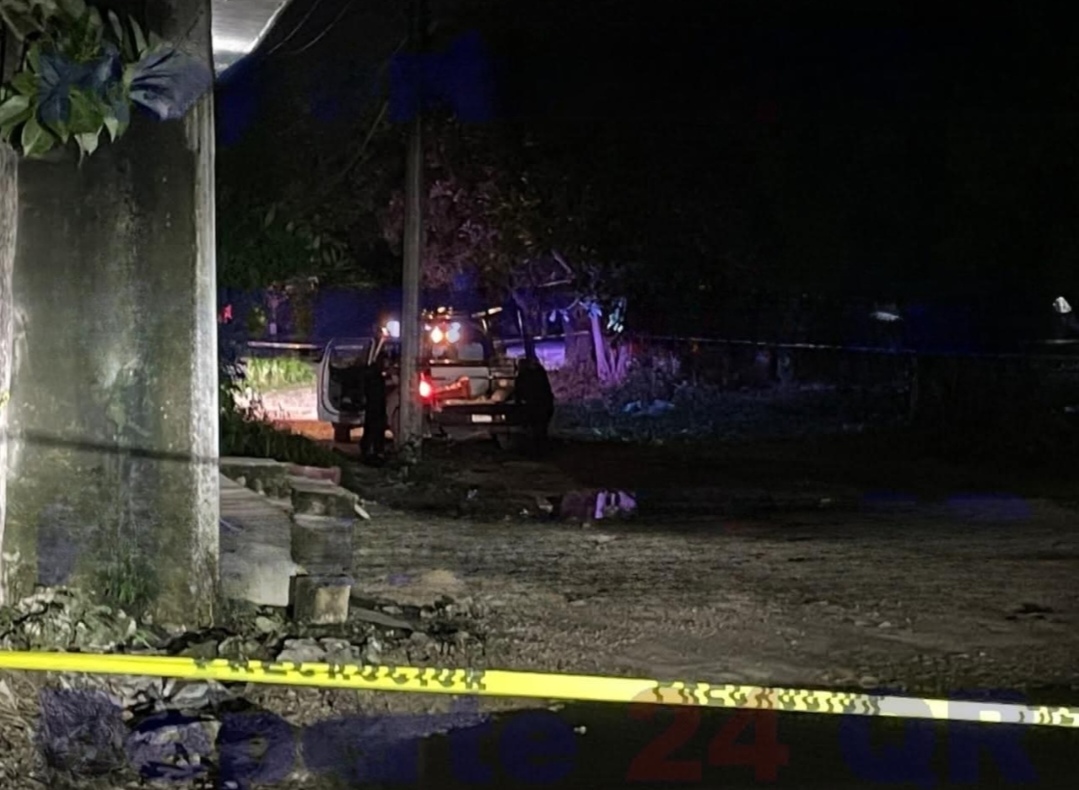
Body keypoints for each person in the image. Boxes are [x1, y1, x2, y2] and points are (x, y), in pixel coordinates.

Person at [361, 351, 389, 464]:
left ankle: (374, 451)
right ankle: (372, 452)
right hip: (374, 407)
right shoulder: (373, 375)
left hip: (375, 407)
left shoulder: (375, 374)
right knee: (374, 430)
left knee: (374, 430)